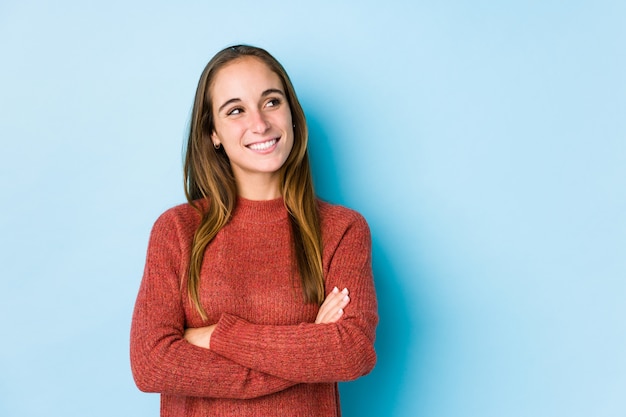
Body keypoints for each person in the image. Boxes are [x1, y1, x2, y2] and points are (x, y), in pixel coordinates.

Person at [130, 44, 378, 416]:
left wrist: (216, 336)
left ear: (292, 114)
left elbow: (352, 351)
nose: (260, 123)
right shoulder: (178, 230)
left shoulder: (341, 230)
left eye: (272, 102)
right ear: (213, 132)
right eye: (236, 110)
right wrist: (307, 349)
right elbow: (151, 364)